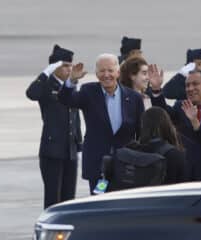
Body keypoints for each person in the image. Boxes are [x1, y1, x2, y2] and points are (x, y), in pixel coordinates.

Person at [58, 53, 145, 195]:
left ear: (118, 72)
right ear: (97, 74)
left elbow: (141, 132)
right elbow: (65, 100)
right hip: (97, 167)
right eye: (102, 71)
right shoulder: (88, 92)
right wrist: (71, 80)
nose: (106, 75)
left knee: (123, 205)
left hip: (126, 165)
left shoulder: (133, 97)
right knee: (99, 206)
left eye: (110, 70)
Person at [150, 69, 201, 181]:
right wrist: (156, 90)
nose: (190, 89)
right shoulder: (182, 106)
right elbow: (163, 114)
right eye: (187, 85)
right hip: (186, 176)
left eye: (195, 84)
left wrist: (195, 122)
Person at [26, 44, 82, 209]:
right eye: (65, 66)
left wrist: (79, 142)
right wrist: (46, 72)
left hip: (70, 150)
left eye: (70, 65)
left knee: (69, 199)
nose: (69, 69)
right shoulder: (46, 85)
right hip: (52, 150)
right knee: (53, 199)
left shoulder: (70, 85)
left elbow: (75, 116)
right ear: (54, 67)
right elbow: (31, 93)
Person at [126, 107, 185, 184]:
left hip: (130, 195)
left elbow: (105, 181)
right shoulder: (175, 154)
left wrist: (104, 193)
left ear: (143, 126)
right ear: (167, 125)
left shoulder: (129, 150)